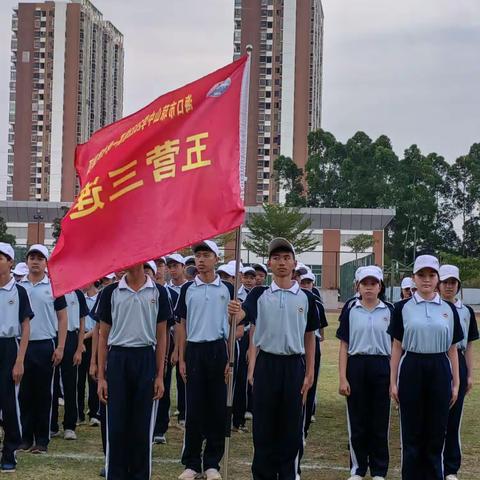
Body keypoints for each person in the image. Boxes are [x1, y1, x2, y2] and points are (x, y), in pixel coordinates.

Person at [228, 238, 320, 480]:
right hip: (266, 365)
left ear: (294, 263)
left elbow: (310, 337)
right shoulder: (259, 294)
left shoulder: (307, 298)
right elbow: (241, 319)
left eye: (286, 258)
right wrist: (234, 313)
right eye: (276, 258)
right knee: (263, 429)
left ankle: (289, 474)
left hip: (293, 366)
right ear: (269, 263)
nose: (281, 262)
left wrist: (309, 372)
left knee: (290, 429)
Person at [389, 255, 464, 480]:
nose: (426, 280)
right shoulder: (402, 308)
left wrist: (456, 382)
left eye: (431, 275)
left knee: (436, 432)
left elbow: (452, 349)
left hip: (440, 368)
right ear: (414, 278)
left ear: (438, 279)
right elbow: (396, 347)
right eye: (421, 275)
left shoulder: (449, 310)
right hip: (412, 366)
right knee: (412, 433)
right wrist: (393, 381)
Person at [97, 263, 170, 480]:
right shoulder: (111, 291)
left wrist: (159, 375)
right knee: (116, 425)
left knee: (141, 426)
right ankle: (116, 474)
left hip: (145, 357)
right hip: (118, 358)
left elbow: (162, 335)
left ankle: (139, 475)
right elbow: (103, 335)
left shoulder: (158, 291)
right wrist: (101, 376)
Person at [176, 240, 235, 480]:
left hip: (218, 349)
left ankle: (212, 462)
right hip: (195, 351)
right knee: (195, 408)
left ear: (216, 258)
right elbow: (181, 325)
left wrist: (230, 359)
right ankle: (191, 462)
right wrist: (180, 357)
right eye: (197, 256)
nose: (200, 260)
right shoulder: (187, 289)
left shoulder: (228, 289)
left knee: (217, 408)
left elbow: (235, 326)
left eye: (205, 255)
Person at [337, 266, 393, 480]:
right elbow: (344, 345)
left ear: (380, 286)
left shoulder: (390, 310)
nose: (369, 288)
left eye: (373, 283)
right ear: (357, 286)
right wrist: (343, 377)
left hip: (382, 366)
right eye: (365, 284)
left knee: (379, 420)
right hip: (357, 365)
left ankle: (379, 470)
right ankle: (358, 468)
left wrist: (393, 378)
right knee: (357, 420)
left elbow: (397, 345)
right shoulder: (351, 309)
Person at [18, 244, 68, 454]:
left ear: (46, 263)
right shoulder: (19, 287)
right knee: (24, 394)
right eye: (32, 257)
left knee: (44, 395)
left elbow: (63, 317)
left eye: (40, 258)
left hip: (45, 345)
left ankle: (42, 440)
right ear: (27, 261)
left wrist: (61, 346)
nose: (35, 261)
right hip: (22, 346)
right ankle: (25, 438)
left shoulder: (54, 286)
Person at [438, 265, 479, 480]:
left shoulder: (466, 311)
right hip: (436, 360)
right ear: (438, 284)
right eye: (445, 282)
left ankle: (451, 467)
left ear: (458, 285)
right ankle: (434, 462)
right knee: (435, 416)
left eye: (453, 282)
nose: (449, 286)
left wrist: (469, 374)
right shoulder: (430, 307)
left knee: (454, 417)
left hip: (459, 361)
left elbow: (469, 345)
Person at [0, 243, 33, 473]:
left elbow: (26, 325)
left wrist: (20, 360)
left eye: (1, 257)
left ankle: (10, 450)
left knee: (9, 402)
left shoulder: (19, 291)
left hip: (9, 347)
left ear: (10, 262)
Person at [51, 288, 88, 440]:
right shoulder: (52, 290)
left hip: (71, 338)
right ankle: (51, 425)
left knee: (70, 384)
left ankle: (69, 425)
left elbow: (82, 322)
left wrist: (79, 348)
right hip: (53, 336)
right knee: (51, 385)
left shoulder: (77, 294)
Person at [300, 271, 328, 437]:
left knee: (310, 383)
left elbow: (321, 326)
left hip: (312, 343)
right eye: (303, 281)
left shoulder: (316, 302)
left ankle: (307, 417)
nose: (305, 285)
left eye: (308, 282)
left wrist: (320, 338)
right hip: (296, 346)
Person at [166, 254, 188, 428]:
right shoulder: (165, 290)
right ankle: (163, 416)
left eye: (175, 266)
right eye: (170, 267)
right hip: (168, 336)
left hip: (185, 337)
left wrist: (179, 349)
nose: (172, 270)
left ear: (183, 267)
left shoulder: (189, 288)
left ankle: (183, 412)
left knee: (184, 377)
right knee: (165, 376)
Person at [78, 282, 101, 427]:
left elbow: (98, 325)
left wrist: (84, 337)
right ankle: (79, 413)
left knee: (94, 377)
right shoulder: (81, 297)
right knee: (79, 379)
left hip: (95, 339)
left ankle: (94, 413)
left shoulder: (100, 297)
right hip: (81, 339)